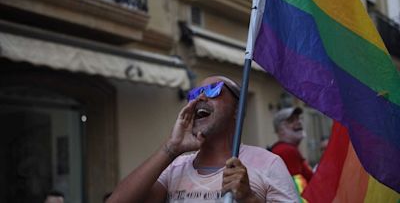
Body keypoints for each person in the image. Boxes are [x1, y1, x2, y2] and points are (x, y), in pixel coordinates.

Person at [107, 76, 298, 202]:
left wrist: (249, 198)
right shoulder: (175, 168)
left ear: (237, 110)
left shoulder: (268, 164)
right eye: (195, 93)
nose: (201, 97)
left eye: (213, 89)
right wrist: (170, 148)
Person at [270, 107, 313, 196]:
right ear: (281, 130)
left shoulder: (287, 148)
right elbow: (298, 189)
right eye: (291, 121)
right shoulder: (287, 151)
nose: (298, 122)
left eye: (298, 118)